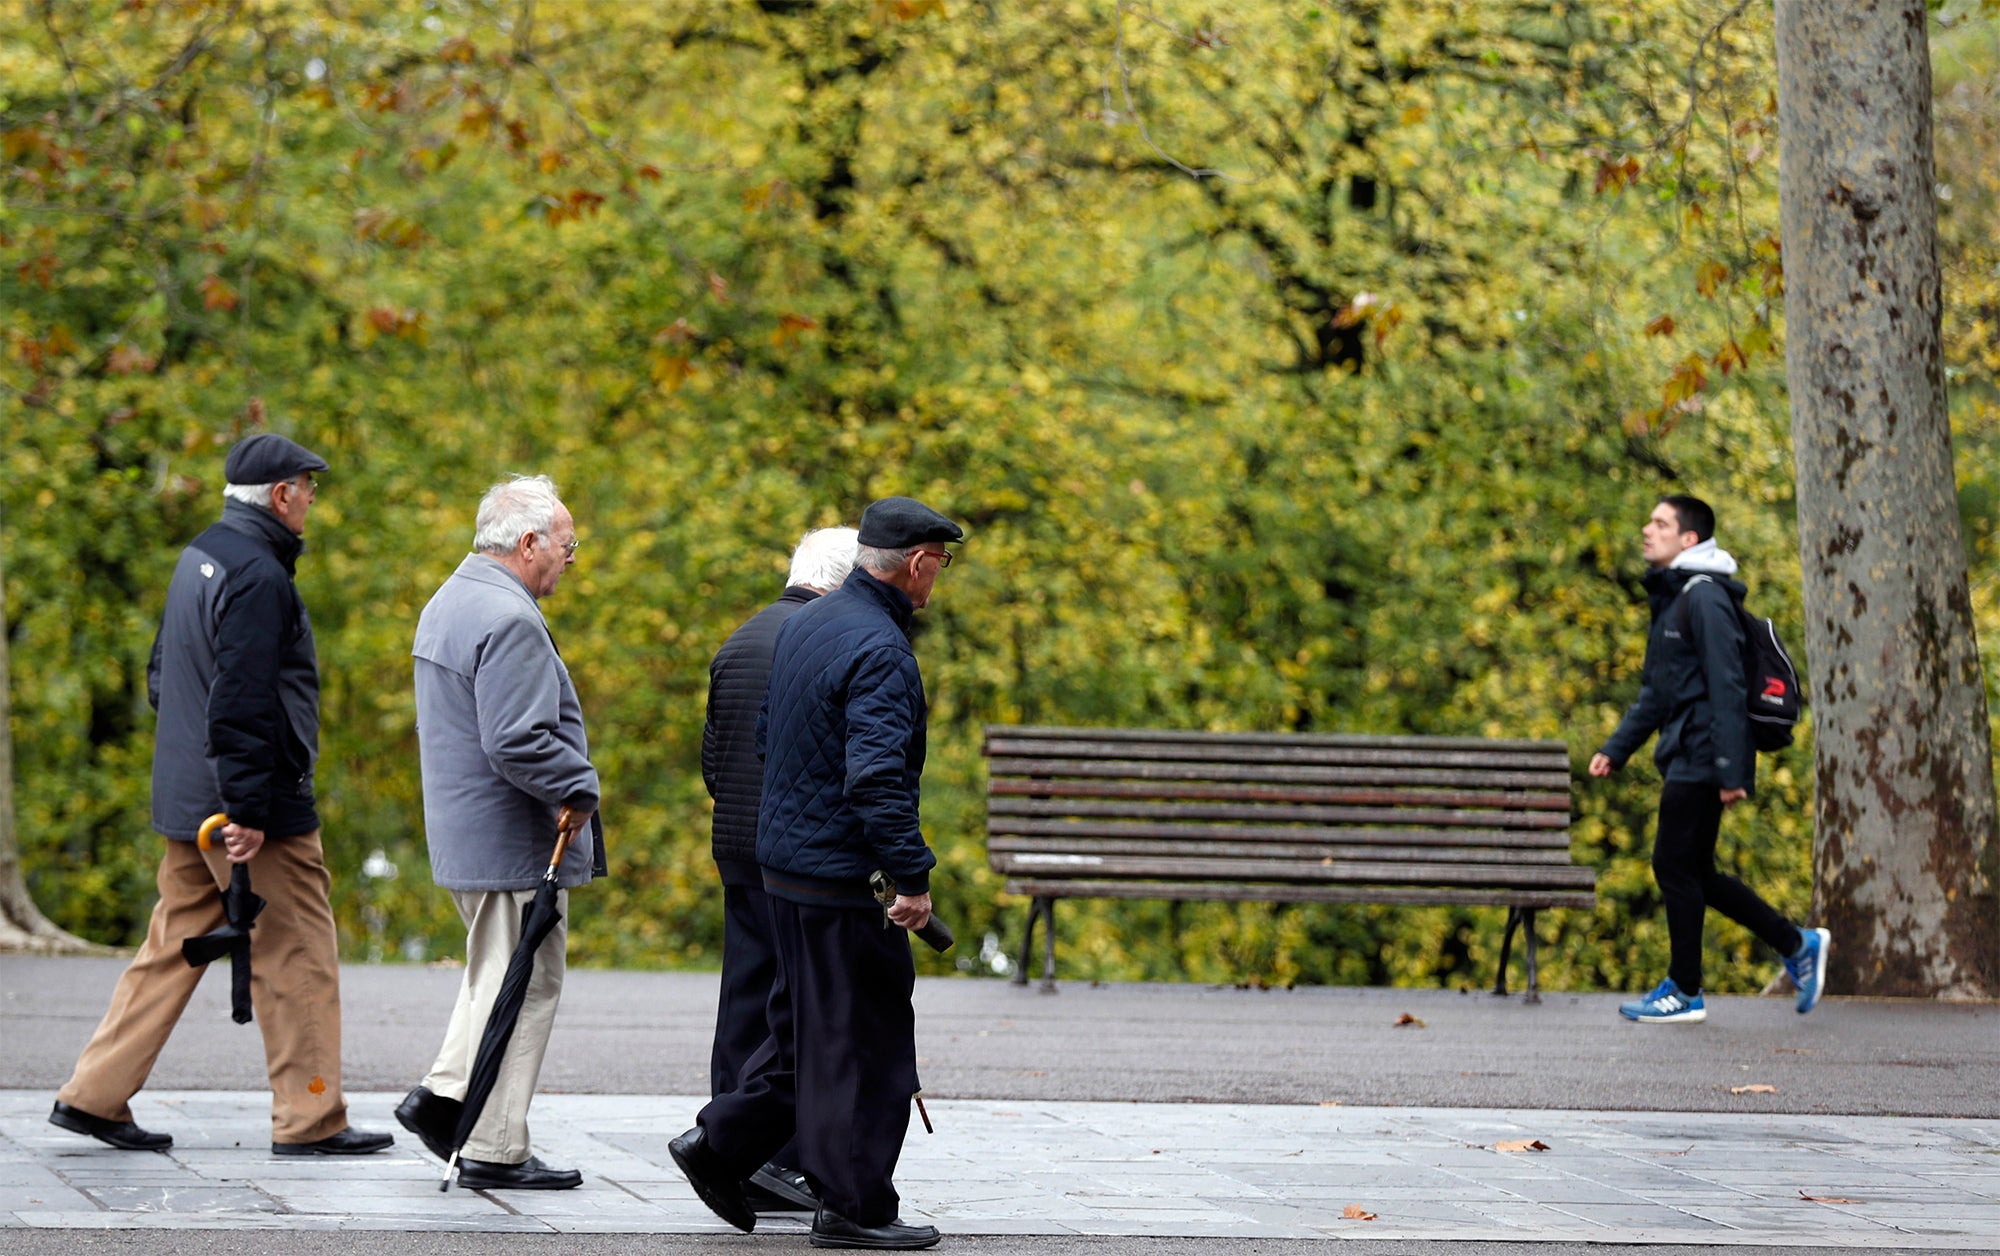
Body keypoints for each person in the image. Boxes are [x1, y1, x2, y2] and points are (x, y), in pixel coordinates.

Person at [51, 432, 393, 1157]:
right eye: (308, 487)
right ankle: (310, 1118)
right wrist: (247, 809)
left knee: (173, 945)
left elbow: (161, 675)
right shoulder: (261, 577)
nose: (311, 500)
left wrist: (202, 782)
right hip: (247, 808)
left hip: (188, 794)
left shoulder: (200, 555)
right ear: (280, 496)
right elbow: (242, 702)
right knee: (298, 951)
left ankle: (93, 1094)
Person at [671, 496, 960, 1252]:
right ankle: (855, 1207)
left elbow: (769, 740)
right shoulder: (882, 650)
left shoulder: (807, 626)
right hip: (838, 879)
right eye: (943, 563)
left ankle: (719, 1146)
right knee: (869, 1043)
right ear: (920, 563)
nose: (940, 578)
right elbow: (876, 780)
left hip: (784, 871)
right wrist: (911, 878)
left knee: (805, 1037)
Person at [394, 475, 603, 1191]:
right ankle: (487, 1139)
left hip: (467, 833)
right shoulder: (507, 617)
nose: (571, 560)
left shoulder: (451, 600)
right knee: (526, 982)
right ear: (529, 543)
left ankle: (449, 1102)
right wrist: (580, 785)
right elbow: (516, 741)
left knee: (497, 975)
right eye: (568, 547)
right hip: (511, 839)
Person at [1589, 494, 1829, 1025]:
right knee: (1697, 870)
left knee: (1672, 863)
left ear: (1689, 539)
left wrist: (1731, 769)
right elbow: (1656, 692)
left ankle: (1685, 989)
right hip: (1688, 749)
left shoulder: (1705, 598)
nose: (1646, 530)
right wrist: (1616, 748)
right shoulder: (1675, 600)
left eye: (1660, 523)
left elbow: (1728, 684)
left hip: (1703, 753)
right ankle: (1797, 943)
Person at [700, 526, 859, 1216]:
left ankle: (729, 1151)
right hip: (790, 853)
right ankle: (768, 1156)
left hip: (734, 840)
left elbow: (714, 753)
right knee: (795, 1008)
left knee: (743, 1000)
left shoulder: (740, 638)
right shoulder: (819, 642)